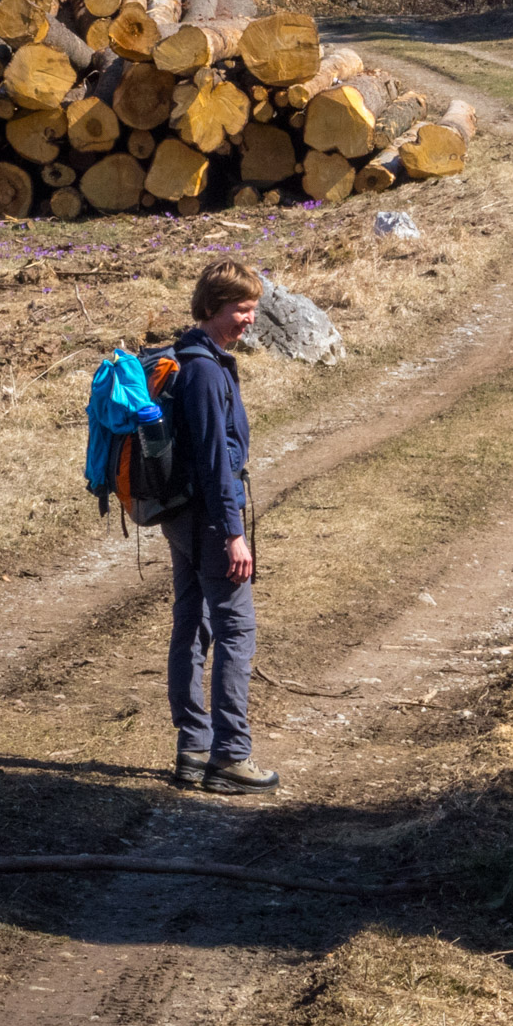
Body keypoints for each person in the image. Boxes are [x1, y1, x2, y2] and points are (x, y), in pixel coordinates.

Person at [165, 260, 279, 794]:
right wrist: (233, 533)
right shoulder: (206, 371)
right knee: (235, 629)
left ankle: (193, 748)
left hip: (183, 517)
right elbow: (215, 462)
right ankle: (230, 755)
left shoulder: (191, 359)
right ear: (211, 307)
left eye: (254, 308)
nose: (250, 319)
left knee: (191, 624)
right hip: (211, 519)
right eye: (241, 309)